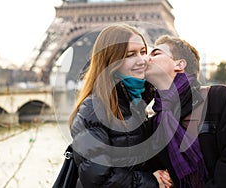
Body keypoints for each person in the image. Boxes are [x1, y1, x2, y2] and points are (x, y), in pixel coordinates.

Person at [145, 35, 226, 188]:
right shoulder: (155, 123)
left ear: (179, 64)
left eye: (155, 53)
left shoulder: (222, 100)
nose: (146, 58)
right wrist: (154, 178)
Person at [69, 23, 173, 188]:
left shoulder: (136, 103)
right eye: (130, 54)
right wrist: (152, 181)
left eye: (143, 52)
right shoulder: (93, 109)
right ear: (112, 61)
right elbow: (98, 180)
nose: (142, 60)